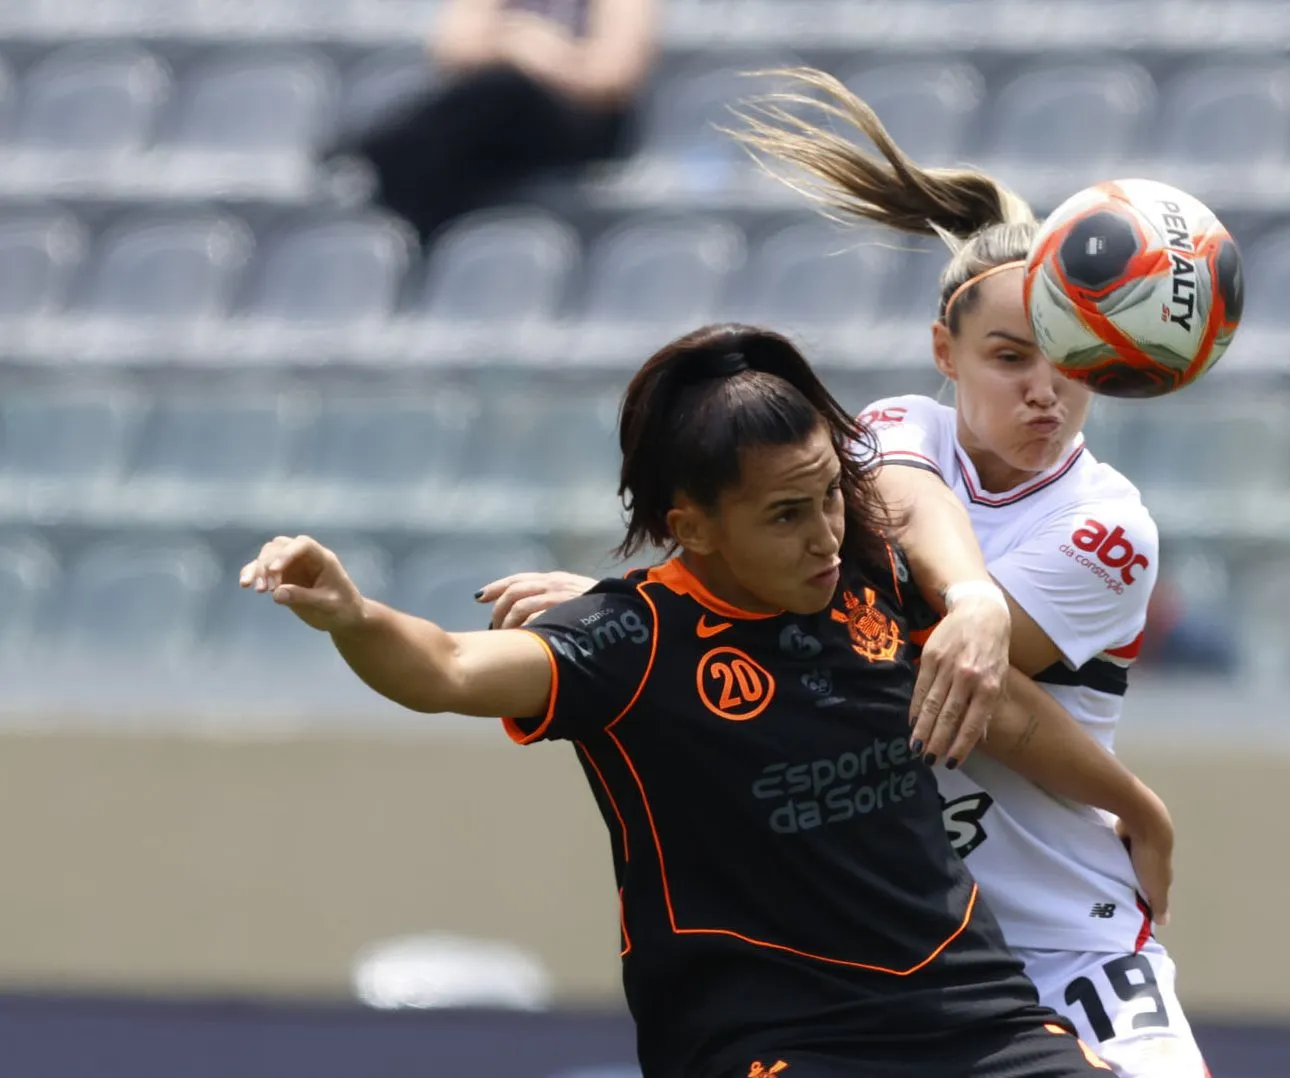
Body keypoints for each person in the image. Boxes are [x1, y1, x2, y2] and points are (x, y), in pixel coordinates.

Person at [482, 70, 1209, 1077]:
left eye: (1070, 358)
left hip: (1061, 930)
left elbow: (948, 680)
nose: (1044, 387)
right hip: (904, 956)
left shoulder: (1107, 526)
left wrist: (644, 617)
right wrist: (645, 610)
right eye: (1008, 356)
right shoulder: (895, 429)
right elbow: (858, 555)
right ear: (943, 354)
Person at [236, 324, 1121, 1078]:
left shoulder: (871, 579)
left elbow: (1007, 703)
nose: (823, 535)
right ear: (691, 524)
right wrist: (352, 615)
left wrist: (1140, 812)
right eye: (785, 515)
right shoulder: (629, 644)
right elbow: (447, 668)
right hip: (775, 1040)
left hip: (974, 1017)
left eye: (827, 500)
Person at [330, 0, 658, 240]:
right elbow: (453, 51)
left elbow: (610, 79)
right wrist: (521, 49)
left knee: (501, 91)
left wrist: (537, 52)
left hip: (579, 122)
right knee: (490, 96)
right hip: (496, 120)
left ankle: (376, 149)